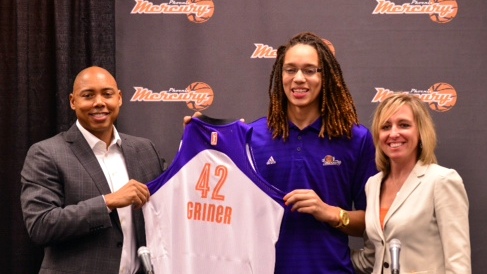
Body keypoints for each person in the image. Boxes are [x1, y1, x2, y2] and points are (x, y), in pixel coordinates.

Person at [186, 32, 377, 273]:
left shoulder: (355, 139)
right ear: (280, 75)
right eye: (290, 70)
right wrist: (197, 143)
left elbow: (372, 224)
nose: (299, 78)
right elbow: (218, 213)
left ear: (325, 77)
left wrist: (330, 213)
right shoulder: (251, 137)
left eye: (309, 70)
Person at [20, 66, 165, 274]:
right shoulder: (46, 153)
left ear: (119, 98)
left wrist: (195, 142)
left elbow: (174, 197)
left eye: (107, 94)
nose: (99, 103)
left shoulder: (145, 150)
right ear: (73, 101)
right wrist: (109, 201)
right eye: (88, 95)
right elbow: (41, 225)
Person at [352, 93, 471, 273]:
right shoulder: (373, 184)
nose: (393, 133)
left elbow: (458, 263)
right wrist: (327, 255)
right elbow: (373, 257)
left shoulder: (442, 181)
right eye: (385, 126)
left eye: (404, 125)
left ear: (421, 132)